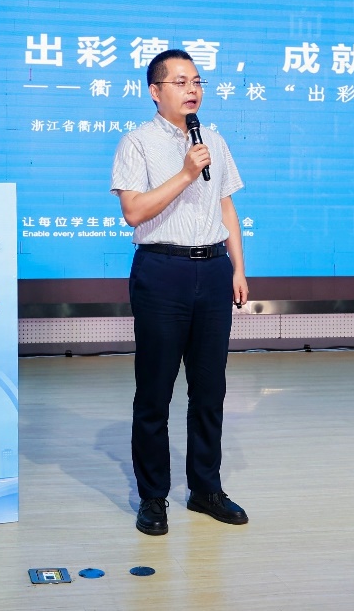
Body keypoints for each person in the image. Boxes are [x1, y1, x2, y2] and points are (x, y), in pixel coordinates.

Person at [110, 48, 249, 536]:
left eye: (197, 81)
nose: (193, 90)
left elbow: (225, 206)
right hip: (161, 270)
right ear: (155, 91)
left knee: (210, 389)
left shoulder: (213, 140)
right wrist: (186, 173)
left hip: (213, 270)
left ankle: (205, 488)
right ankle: (153, 497)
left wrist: (238, 267)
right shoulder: (137, 142)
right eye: (181, 81)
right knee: (155, 391)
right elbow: (134, 211)